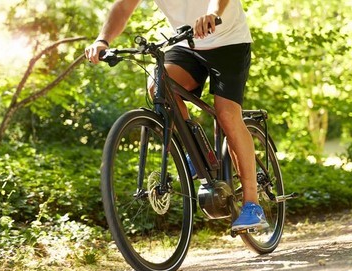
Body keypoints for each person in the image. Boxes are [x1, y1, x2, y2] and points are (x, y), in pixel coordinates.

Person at [85, 0, 268, 232]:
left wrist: (212, 13)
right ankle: (195, 151)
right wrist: (103, 40)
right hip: (187, 44)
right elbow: (122, 8)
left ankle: (252, 204)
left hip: (228, 41)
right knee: (159, 86)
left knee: (227, 114)